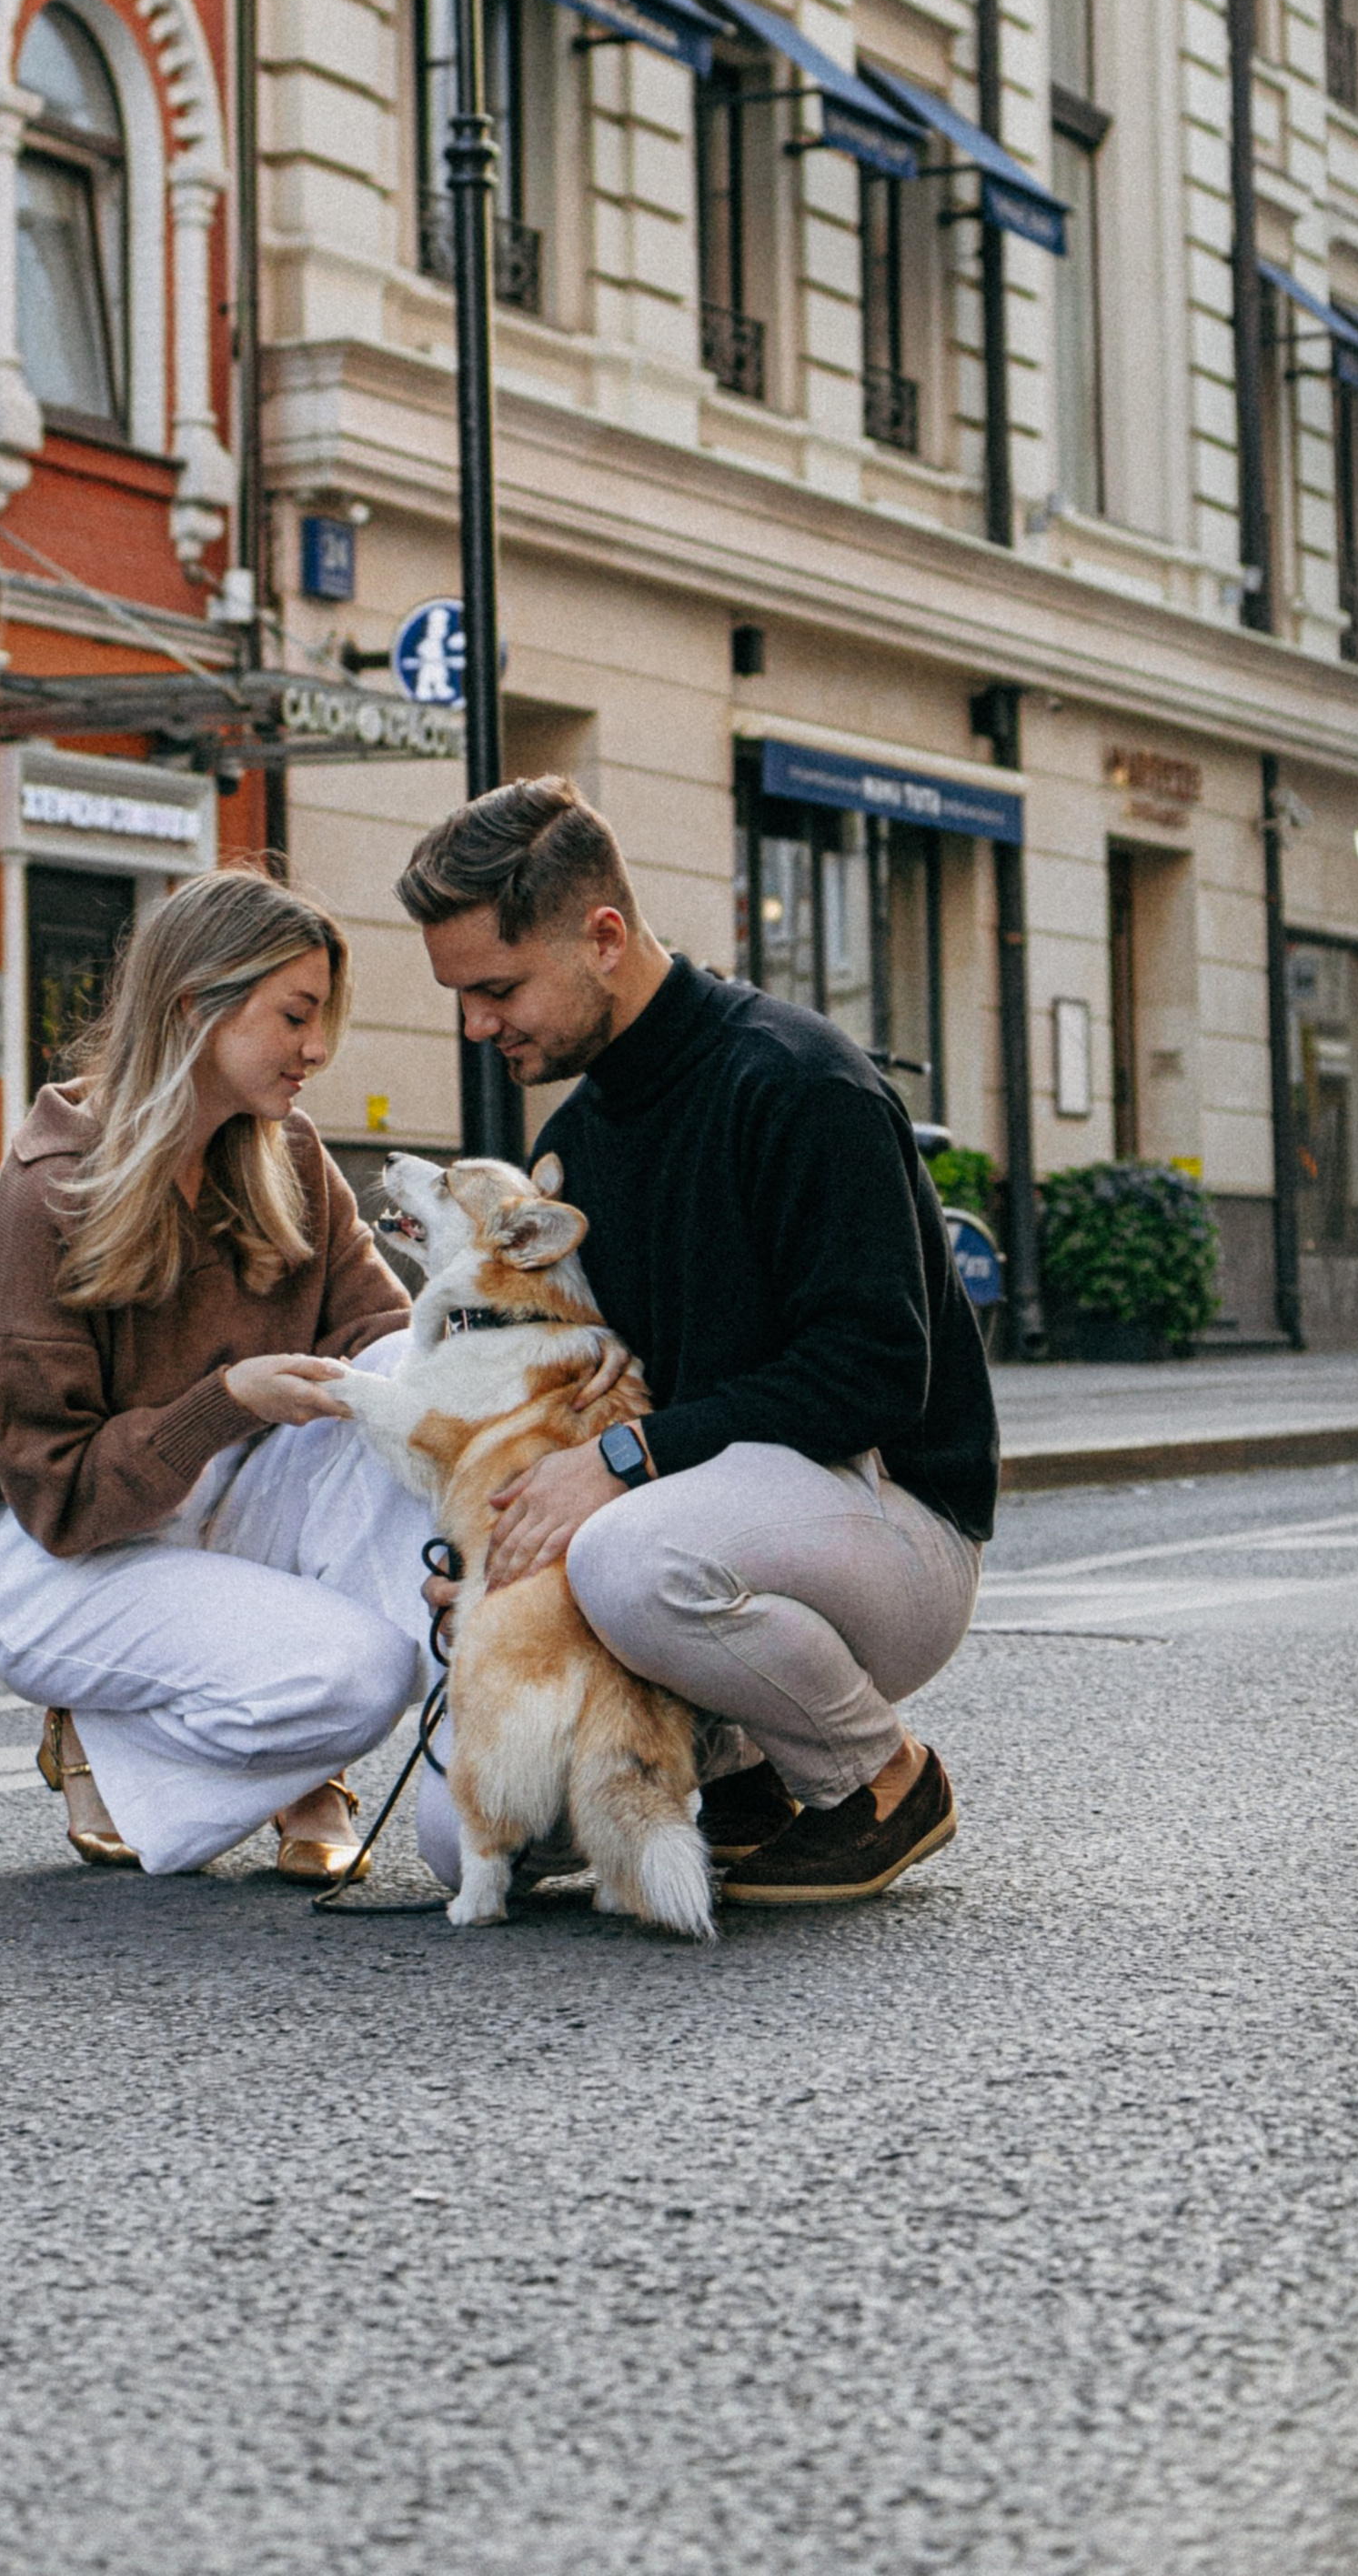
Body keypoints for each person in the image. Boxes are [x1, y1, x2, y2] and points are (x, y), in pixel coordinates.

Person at [396, 777, 998, 1905]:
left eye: (496, 988)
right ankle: (739, 1778)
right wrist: (499, 1545)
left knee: (627, 1559)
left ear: (603, 936)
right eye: (461, 997)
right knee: (466, 1839)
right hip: (709, 1528)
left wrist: (622, 1465)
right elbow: (595, 1389)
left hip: (888, 1527)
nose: (478, 1026)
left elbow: (872, 1375)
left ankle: (878, 1778)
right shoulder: (577, 1142)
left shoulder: (797, 1081)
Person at [0, 867, 438, 1881]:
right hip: (66, 1557)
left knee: (402, 1380)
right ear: (193, 1006)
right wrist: (226, 1401)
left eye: (323, 1018)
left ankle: (474, 1756)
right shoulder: (52, 1195)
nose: (317, 1050)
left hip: (224, 1508)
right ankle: (125, 1735)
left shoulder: (287, 1157)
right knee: (358, 1677)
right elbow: (59, 1494)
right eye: (295, 1016)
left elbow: (385, 1339)